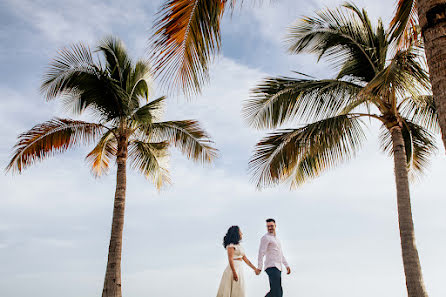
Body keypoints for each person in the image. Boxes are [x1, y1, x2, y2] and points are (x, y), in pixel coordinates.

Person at [216, 225, 258, 297]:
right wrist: (234, 272)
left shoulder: (239, 246)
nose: (242, 233)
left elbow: (246, 259)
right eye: (240, 232)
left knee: (239, 288)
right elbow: (230, 259)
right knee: (231, 288)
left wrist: (255, 269)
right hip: (232, 269)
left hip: (239, 268)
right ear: (236, 233)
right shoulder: (231, 246)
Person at [256, 218, 291, 297]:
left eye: (271, 226)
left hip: (278, 267)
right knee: (277, 292)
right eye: (268, 226)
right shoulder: (265, 238)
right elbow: (261, 253)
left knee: (276, 291)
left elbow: (280, 254)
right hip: (271, 266)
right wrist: (259, 267)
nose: (270, 228)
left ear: (275, 225)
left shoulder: (277, 239)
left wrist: (287, 265)